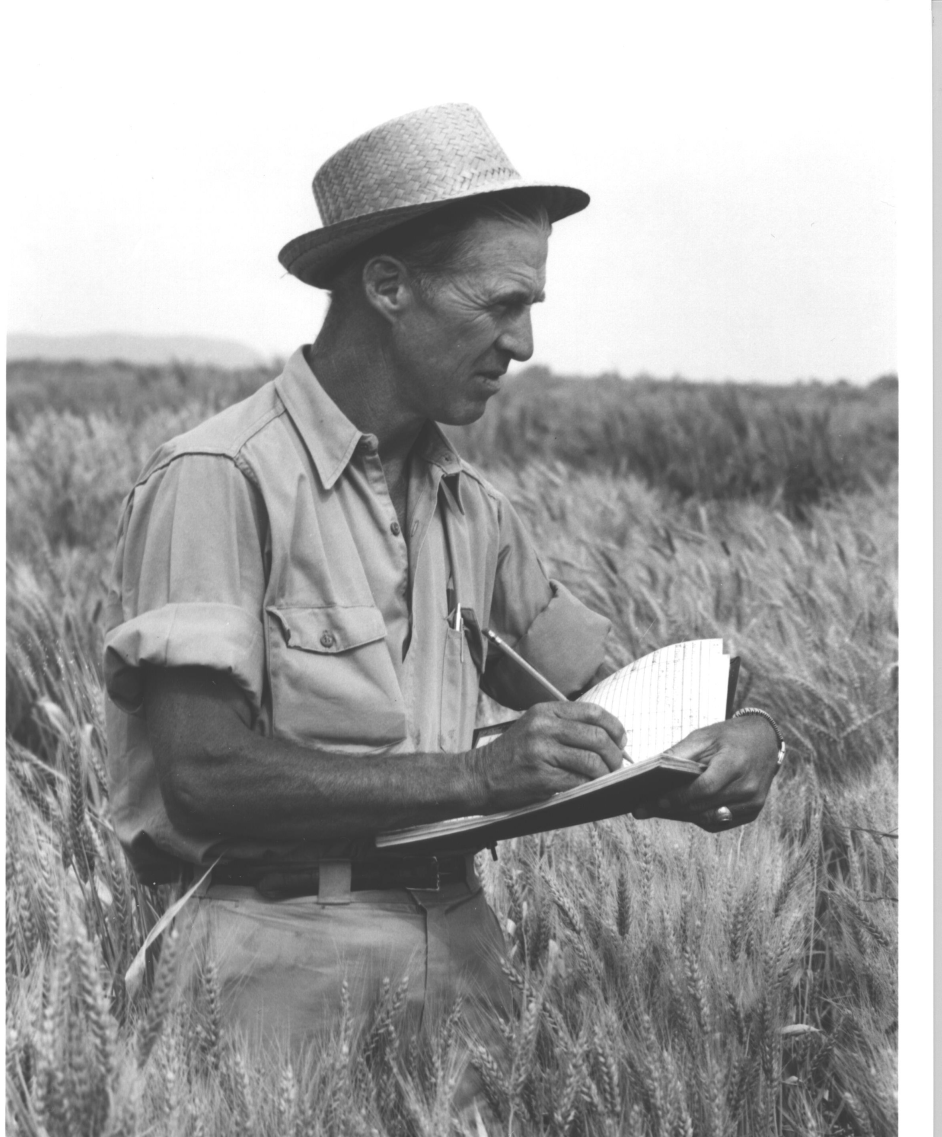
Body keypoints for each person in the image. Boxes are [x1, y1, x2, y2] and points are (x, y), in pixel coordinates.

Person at [103, 103, 782, 1061]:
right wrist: (474, 773)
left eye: (532, 307)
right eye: (501, 303)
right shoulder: (220, 478)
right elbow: (204, 773)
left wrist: (737, 736)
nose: (526, 343)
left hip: (466, 964)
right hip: (271, 971)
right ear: (388, 285)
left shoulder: (478, 510)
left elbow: (609, 697)